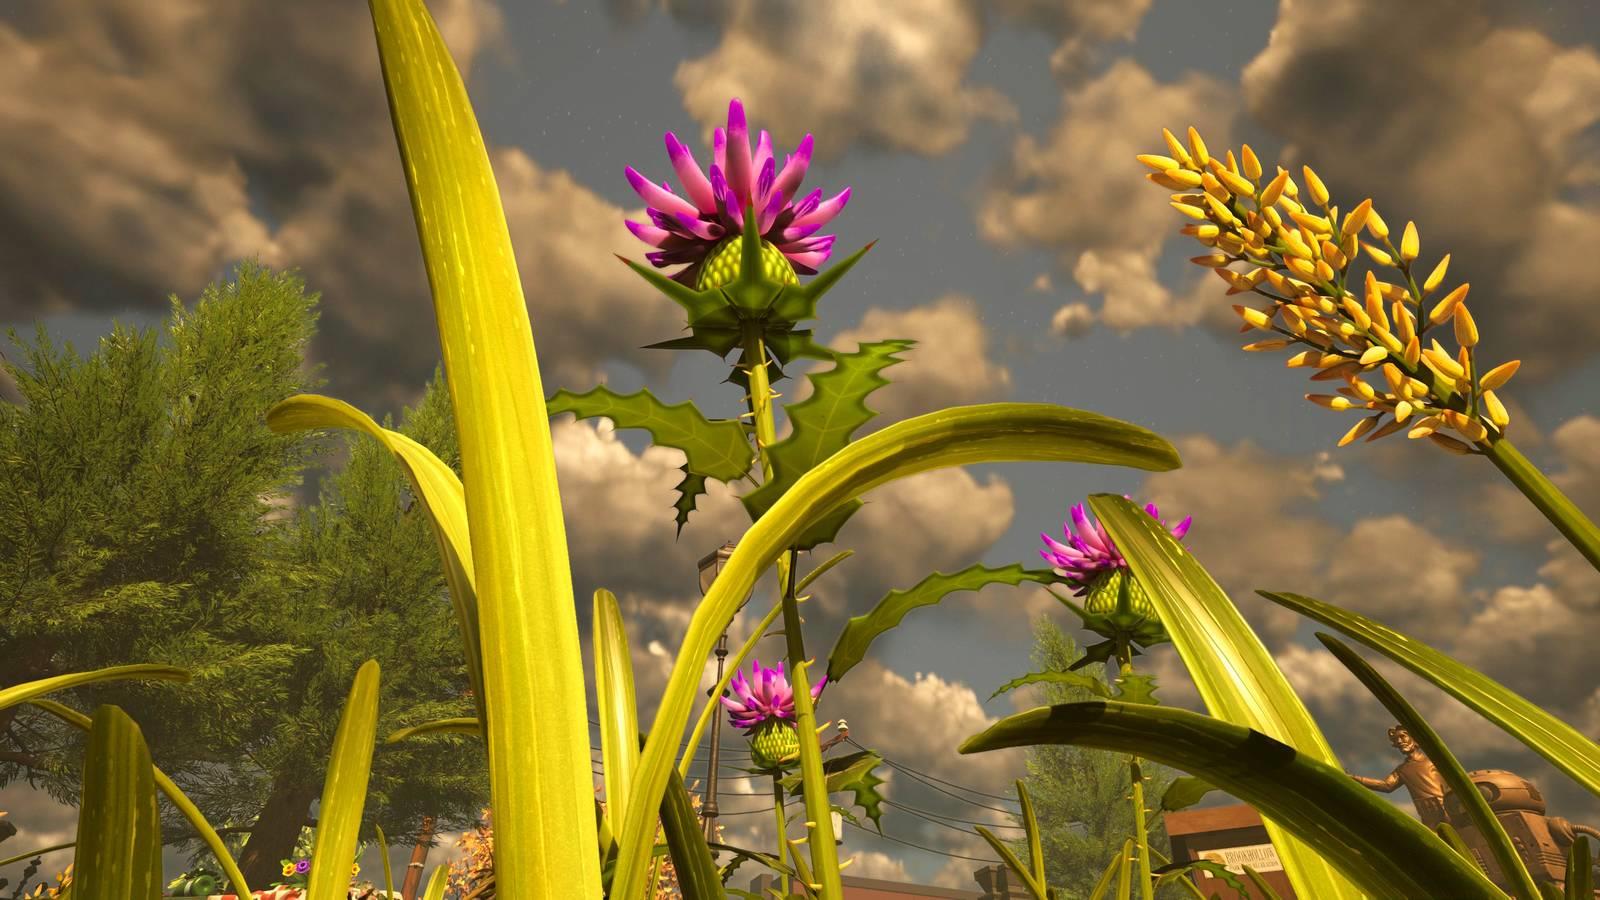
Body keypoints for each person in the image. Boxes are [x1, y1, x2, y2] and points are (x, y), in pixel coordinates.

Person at [1349, 725, 1447, 829]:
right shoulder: (1401, 770)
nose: (1399, 741)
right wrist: (1355, 779)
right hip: (1429, 818)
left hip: (1449, 811)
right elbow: (1386, 785)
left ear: (1414, 738)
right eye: (1396, 739)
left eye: (1402, 736)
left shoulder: (1434, 761)